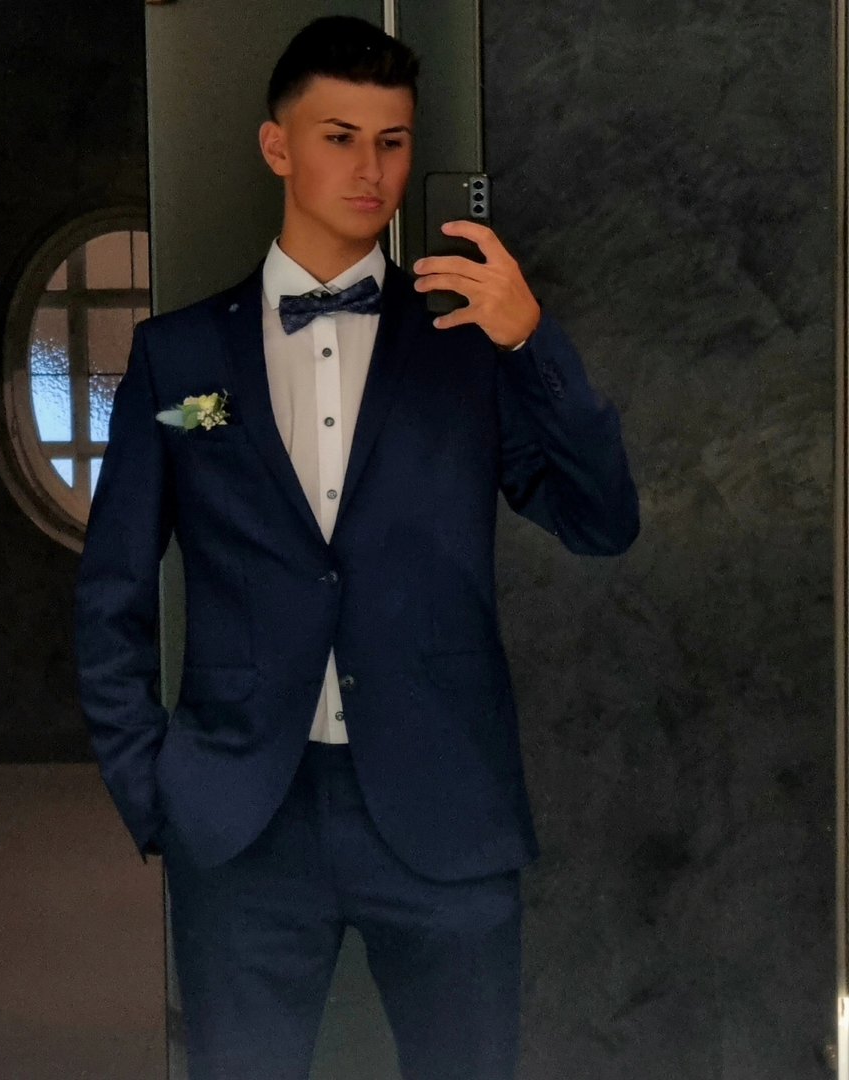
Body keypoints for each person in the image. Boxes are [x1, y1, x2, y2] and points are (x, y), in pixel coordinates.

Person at [75, 14, 638, 1080]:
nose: (370, 168)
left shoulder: (468, 350)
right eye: (339, 137)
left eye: (392, 140)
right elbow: (112, 590)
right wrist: (155, 791)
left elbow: (603, 521)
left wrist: (531, 340)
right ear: (277, 147)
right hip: (243, 819)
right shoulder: (177, 359)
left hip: (446, 808)